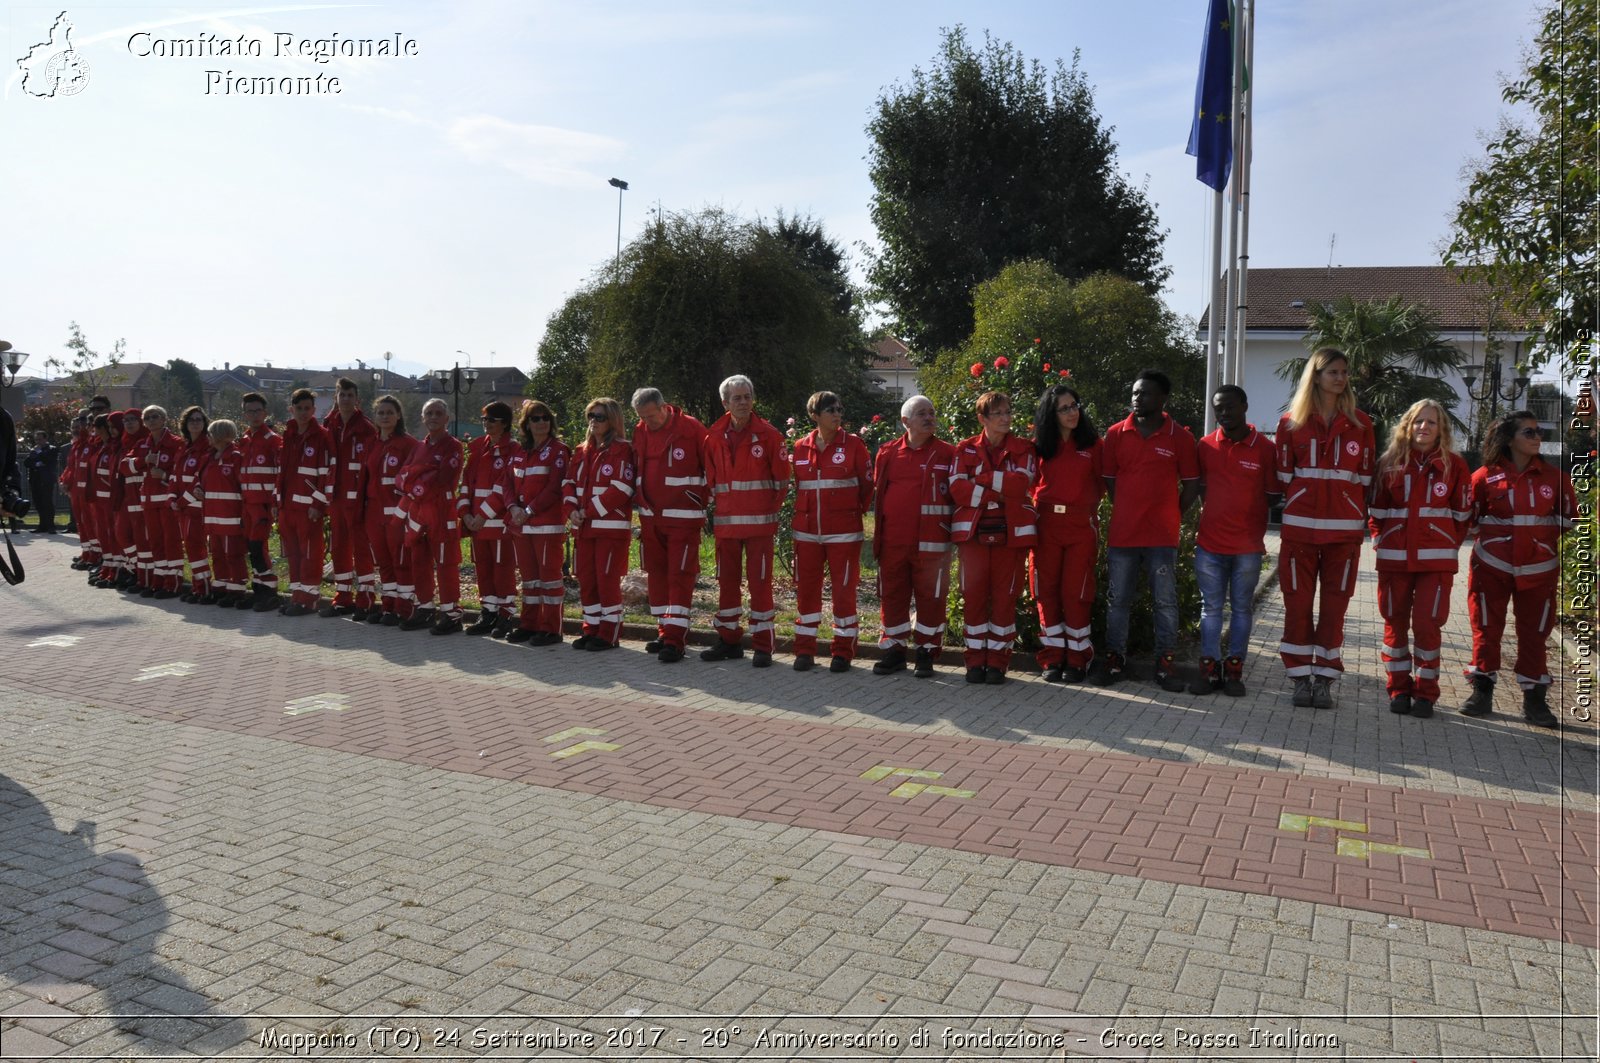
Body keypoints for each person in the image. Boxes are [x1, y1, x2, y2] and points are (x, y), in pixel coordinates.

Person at [1275, 348, 1376, 709]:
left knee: (1334, 610)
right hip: (1299, 532)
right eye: (1332, 371)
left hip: (1344, 535)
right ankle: (1300, 678)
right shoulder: (1290, 424)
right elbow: (1284, 477)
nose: (1340, 378)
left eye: (1344, 372)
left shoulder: (1362, 424)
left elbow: (1364, 479)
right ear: (1315, 376)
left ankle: (1325, 680)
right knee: (1297, 607)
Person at [1462, 411, 1577, 728]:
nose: (1537, 437)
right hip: (1491, 567)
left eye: (1539, 431)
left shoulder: (1556, 478)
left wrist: (1538, 543)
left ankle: (1535, 701)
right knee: (1486, 629)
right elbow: (1470, 520)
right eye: (1529, 432)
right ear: (1510, 438)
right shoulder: (1484, 477)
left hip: (1539, 570)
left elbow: (1568, 519)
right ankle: (1481, 692)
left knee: (1535, 634)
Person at [1093, 370, 1200, 691]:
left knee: (1165, 603)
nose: (1137, 399)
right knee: (1118, 601)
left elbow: (1192, 484)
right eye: (1135, 393)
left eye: (1145, 394)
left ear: (1162, 399)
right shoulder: (1115, 434)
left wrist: (1171, 513)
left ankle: (1165, 664)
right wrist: (1129, 507)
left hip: (1161, 538)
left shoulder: (1179, 437)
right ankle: (1115, 660)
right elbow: (1110, 480)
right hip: (1124, 536)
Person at [1367, 400, 1471, 719]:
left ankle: (1426, 694)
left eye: (1431, 422)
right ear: (1407, 426)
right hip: (1394, 560)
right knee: (1394, 624)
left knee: (1427, 627)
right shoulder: (1389, 463)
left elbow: (1462, 515)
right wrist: (1380, 541)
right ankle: (1398, 688)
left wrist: (1445, 544)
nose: (1423, 427)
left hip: (1435, 563)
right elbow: (1376, 512)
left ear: (1442, 429)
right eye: (1417, 421)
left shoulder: (1455, 466)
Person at [1192, 385, 1280, 696]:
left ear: (1244, 405)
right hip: (1210, 547)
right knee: (1210, 609)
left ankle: (1233, 671)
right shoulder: (1204, 446)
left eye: (1230, 407)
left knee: (1242, 609)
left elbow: (1271, 496)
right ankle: (1209, 669)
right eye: (1219, 409)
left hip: (1247, 550)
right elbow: (1199, 488)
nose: (1224, 414)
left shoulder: (1266, 450)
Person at [948, 390, 1038, 684]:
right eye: (998, 413)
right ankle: (974, 662)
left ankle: (998, 663)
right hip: (974, 536)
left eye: (1008, 412)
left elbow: (1022, 484)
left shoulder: (1024, 449)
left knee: (1004, 599)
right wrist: (997, 494)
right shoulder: (965, 449)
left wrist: (982, 480)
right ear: (982, 419)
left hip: (1010, 537)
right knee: (973, 597)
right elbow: (957, 489)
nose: (1006, 418)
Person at [704, 375, 790, 668]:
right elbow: (710, 480)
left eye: (747, 397)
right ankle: (728, 641)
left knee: (760, 584)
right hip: (727, 527)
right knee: (726, 584)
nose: (743, 403)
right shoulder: (714, 436)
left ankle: (763, 645)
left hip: (759, 527)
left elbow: (781, 482)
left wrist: (767, 512)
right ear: (725, 402)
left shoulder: (769, 435)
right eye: (737, 398)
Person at [871, 394, 957, 679]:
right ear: (905, 421)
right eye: (922, 413)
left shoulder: (948, 453)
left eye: (932, 412)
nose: (930, 417)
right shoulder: (887, 452)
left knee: (931, 599)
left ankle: (926, 653)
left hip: (933, 544)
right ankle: (894, 651)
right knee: (892, 597)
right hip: (893, 542)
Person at [791, 390, 873, 672]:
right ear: (815, 416)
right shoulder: (800, 446)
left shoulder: (854, 445)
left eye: (839, 408)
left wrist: (849, 513)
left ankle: (842, 652)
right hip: (807, 535)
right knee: (807, 593)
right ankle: (804, 650)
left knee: (844, 593)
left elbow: (867, 487)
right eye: (831, 410)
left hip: (844, 535)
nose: (838, 414)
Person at [1029, 385, 1104, 684]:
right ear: (1051, 413)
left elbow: (1102, 485)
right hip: (1045, 525)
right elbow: (1028, 484)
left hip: (1080, 527)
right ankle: (1052, 658)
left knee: (1077, 592)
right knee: (1045, 591)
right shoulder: (1039, 447)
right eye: (1064, 408)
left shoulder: (1093, 446)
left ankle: (1076, 659)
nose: (1073, 412)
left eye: (1075, 405)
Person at [631, 387, 711, 663]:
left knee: (680, 576)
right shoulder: (640, 430)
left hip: (684, 518)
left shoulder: (691, 428)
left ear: (664, 407)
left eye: (650, 416)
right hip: (651, 518)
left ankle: (676, 640)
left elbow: (710, 466)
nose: (647, 422)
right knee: (657, 576)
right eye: (641, 417)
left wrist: (700, 501)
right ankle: (664, 631)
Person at [564, 398, 635, 650]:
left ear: (613, 420)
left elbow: (621, 489)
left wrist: (587, 511)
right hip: (584, 528)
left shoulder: (623, 450)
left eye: (600, 417)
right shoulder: (581, 450)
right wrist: (571, 509)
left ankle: (609, 633)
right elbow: (568, 483)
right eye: (590, 416)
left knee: (606, 581)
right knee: (587, 580)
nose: (594, 421)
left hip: (610, 530)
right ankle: (591, 629)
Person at [396, 398, 466, 634]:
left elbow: (443, 479)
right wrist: (420, 476)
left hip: (441, 515)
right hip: (418, 515)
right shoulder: (418, 446)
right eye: (429, 413)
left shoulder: (453, 446)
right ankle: (425, 608)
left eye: (438, 413)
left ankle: (451, 614)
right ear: (423, 418)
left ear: (447, 419)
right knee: (419, 563)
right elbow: (403, 477)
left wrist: (418, 479)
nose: (433, 417)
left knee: (446, 564)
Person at [506, 399, 570, 645]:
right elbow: (507, 483)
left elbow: (555, 487)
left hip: (546, 525)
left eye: (545, 418)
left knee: (550, 579)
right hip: (522, 525)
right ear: (526, 423)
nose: (541, 422)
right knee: (530, 579)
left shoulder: (559, 450)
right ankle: (529, 624)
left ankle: (551, 629)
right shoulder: (519, 452)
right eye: (535, 418)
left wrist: (529, 510)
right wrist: (512, 507)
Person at [322, 377, 379, 619]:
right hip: (336, 497)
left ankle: (365, 599)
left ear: (357, 399)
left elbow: (372, 467)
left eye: (349, 395)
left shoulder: (366, 428)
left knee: (361, 549)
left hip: (357, 500)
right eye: (341, 395)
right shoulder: (329, 424)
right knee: (339, 549)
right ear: (336, 398)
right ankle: (343, 597)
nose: (345, 399)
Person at [460, 401, 518, 636]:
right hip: (476, 524)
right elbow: (466, 484)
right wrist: (464, 513)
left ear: (504, 424)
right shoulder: (477, 449)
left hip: (498, 524)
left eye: (491, 420)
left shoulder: (512, 450)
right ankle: (488, 613)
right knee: (482, 570)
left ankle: (505, 615)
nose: (486, 424)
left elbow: (504, 486)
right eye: (484, 419)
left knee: (502, 570)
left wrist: (482, 515)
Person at [277, 389, 335, 616]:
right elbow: (282, 473)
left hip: (309, 509)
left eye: (307, 408)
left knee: (310, 553)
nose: (303, 413)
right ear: (291, 409)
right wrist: (278, 501)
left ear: (314, 410)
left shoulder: (321, 436)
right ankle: (297, 597)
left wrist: (318, 503)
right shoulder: (288, 435)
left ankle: (310, 600)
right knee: (293, 554)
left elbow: (325, 473)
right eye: (298, 408)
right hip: (287, 507)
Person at [359, 395, 416, 626]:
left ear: (399, 415)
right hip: (374, 511)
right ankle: (389, 607)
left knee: (400, 561)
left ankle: (406, 608)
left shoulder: (409, 444)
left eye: (389, 412)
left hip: (397, 514)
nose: (385, 416)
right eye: (380, 412)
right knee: (383, 562)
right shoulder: (372, 443)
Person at [238, 392, 284, 611]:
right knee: (251, 548)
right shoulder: (244, 440)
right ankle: (259, 590)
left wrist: (275, 502)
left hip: (263, 504)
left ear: (265, 413)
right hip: (247, 504)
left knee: (258, 547)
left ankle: (270, 592)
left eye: (258, 411)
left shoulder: (274, 441)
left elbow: (280, 473)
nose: (254, 415)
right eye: (250, 411)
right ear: (244, 414)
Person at [198, 419, 248, 607]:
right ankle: (221, 587)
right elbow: (201, 480)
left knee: (233, 555)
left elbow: (242, 487)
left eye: (210, 433)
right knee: (217, 554)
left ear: (219, 435)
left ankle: (237, 590)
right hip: (212, 516)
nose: (207, 437)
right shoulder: (209, 457)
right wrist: (198, 489)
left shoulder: (235, 457)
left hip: (230, 517)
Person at [173, 406, 214, 603]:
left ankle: (204, 588)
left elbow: (200, 480)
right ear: (185, 424)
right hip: (183, 508)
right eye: (191, 420)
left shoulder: (207, 448)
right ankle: (199, 587)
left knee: (196, 548)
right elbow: (175, 477)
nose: (195, 423)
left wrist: (180, 501)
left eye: (199, 419)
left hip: (196, 507)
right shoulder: (184, 447)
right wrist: (172, 497)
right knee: (191, 548)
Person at [115, 409, 151, 591]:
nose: (129, 423)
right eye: (125, 420)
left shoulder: (147, 441)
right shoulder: (126, 443)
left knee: (143, 539)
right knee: (123, 534)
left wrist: (134, 464)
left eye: (133, 420)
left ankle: (142, 574)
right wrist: (140, 462)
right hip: (129, 496)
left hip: (144, 497)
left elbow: (127, 466)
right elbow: (123, 468)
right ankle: (135, 568)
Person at [88, 415, 125, 588]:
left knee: (114, 536)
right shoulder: (103, 447)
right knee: (104, 536)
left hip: (111, 500)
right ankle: (108, 568)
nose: (91, 428)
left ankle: (116, 571)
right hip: (100, 499)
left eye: (94, 424)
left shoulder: (115, 447)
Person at [25, 431, 58, 532]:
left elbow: (48, 460)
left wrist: (39, 453)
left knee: (47, 502)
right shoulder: (33, 450)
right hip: (35, 480)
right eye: (36, 440)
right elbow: (27, 462)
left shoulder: (52, 449)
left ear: (45, 439)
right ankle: (42, 526)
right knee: (38, 503)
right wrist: (37, 464)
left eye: (40, 439)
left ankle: (51, 526)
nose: (38, 442)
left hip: (46, 480)